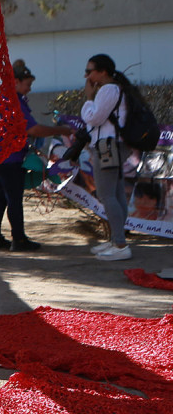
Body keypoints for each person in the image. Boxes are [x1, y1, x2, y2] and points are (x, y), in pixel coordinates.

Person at [0, 60, 74, 252]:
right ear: (15, 82)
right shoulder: (15, 101)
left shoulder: (3, 98)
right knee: (14, 198)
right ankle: (19, 239)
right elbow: (34, 128)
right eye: (27, 84)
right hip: (10, 159)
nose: (30, 88)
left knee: (1, 196)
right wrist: (62, 130)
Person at [82, 55, 133, 261]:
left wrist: (88, 98)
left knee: (106, 195)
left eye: (89, 71)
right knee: (117, 193)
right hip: (114, 145)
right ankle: (116, 240)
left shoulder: (108, 89)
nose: (86, 76)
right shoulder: (117, 88)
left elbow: (94, 117)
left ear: (102, 72)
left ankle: (120, 243)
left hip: (107, 147)